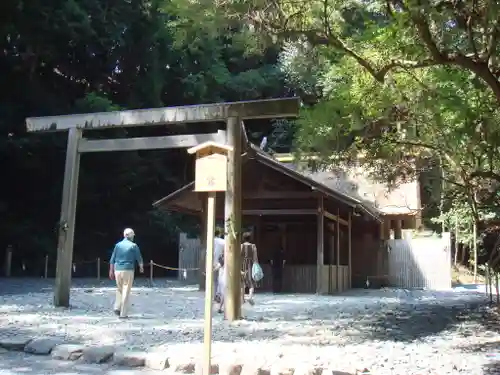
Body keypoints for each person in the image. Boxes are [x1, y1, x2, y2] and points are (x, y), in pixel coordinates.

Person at [109, 228, 144, 319]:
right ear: (131, 236)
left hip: (117, 270)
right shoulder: (133, 246)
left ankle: (117, 307)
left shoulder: (118, 245)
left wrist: (111, 270)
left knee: (119, 289)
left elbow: (112, 259)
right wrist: (141, 267)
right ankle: (123, 314)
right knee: (126, 291)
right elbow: (139, 258)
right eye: (133, 235)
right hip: (128, 270)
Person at [241, 232, 258, 305]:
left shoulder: (241, 246)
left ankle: (242, 299)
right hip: (250, 264)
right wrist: (256, 265)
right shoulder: (253, 246)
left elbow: (239, 256)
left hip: (242, 264)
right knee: (251, 283)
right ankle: (250, 297)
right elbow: (255, 257)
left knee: (242, 282)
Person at [213, 227, 225, 303]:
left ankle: (214, 294)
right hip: (220, 262)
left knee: (214, 280)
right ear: (220, 233)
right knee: (220, 279)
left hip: (212, 262)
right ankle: (218, 294)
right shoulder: (223, 241)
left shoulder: (211, 241)